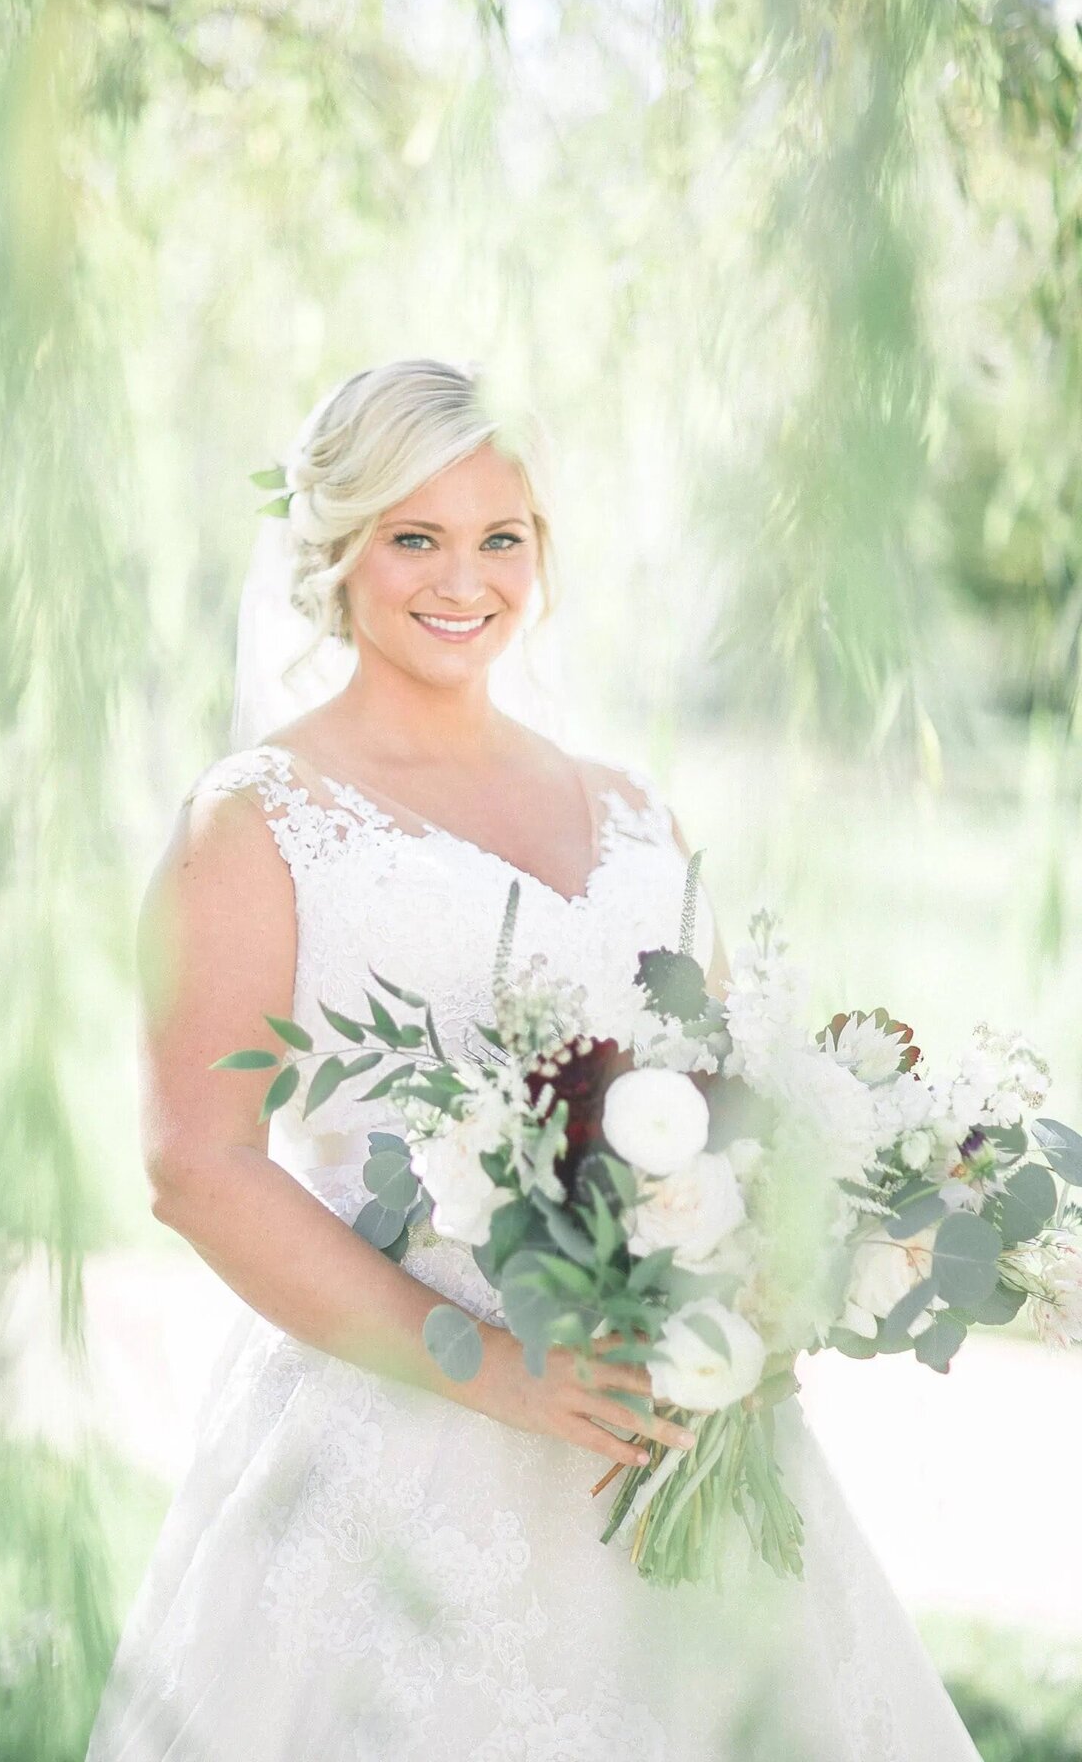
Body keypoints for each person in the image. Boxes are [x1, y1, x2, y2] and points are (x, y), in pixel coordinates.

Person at [85, 358, 982, 1760]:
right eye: (416, 537)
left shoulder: (631, 812)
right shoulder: (258, 820)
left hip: (667, 1433)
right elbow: (196, 1167)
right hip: (393, 1456)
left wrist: (774, 1262)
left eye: (501, 537)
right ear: (339, 549)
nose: (465, 579)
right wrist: (494, 1368)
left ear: (542, 555)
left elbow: (719, 1101)